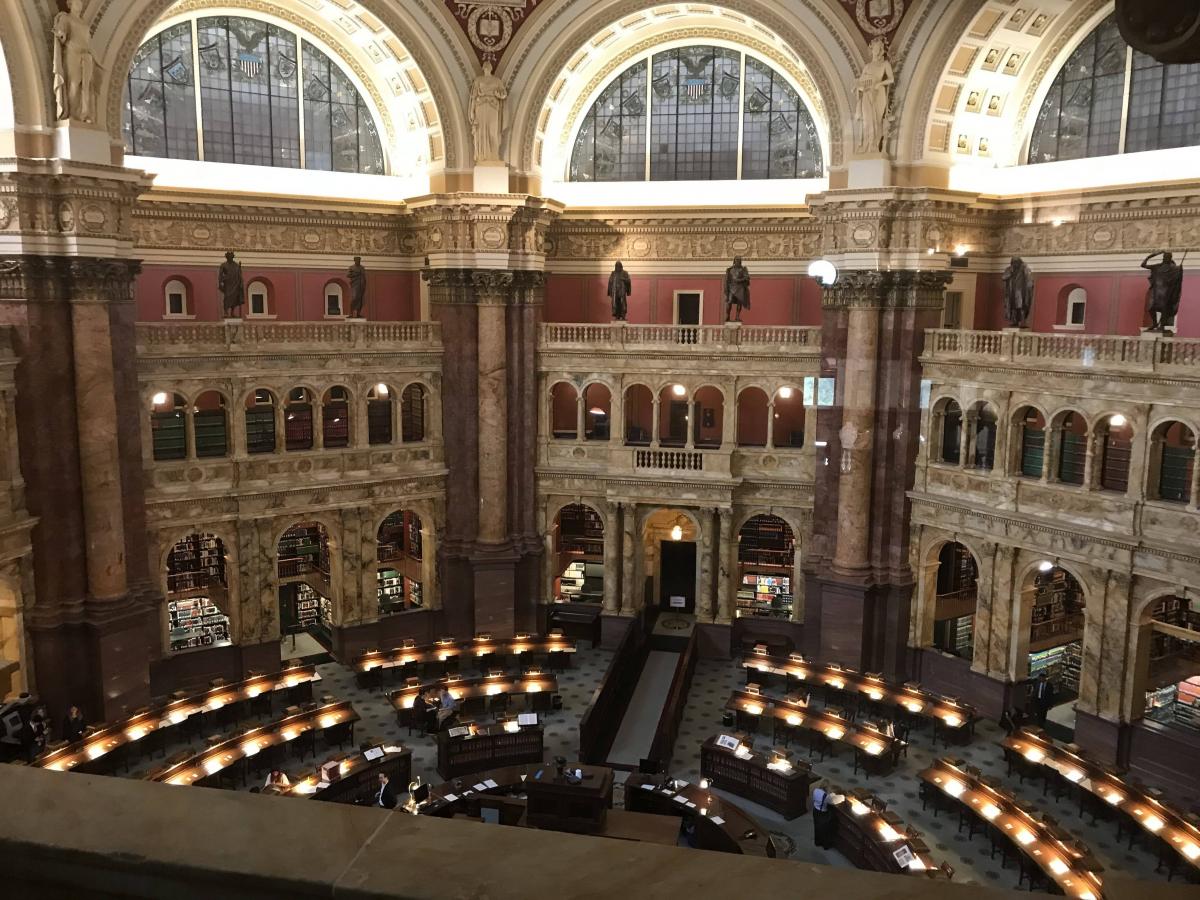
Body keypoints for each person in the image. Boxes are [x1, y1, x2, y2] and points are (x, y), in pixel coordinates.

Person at [1142, 250, 1184, 331]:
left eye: (1167, 257)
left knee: (1164, 308)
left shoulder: (1173, 268)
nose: (1165, 258)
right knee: (1150, 308)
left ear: (1170, 258)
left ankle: (1162, 325)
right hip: (1156, 290)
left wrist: (1180, 270)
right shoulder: (1157, 266)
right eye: (1164, 257)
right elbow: (1143, 265)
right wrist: (1152, 255)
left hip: (1165, 291)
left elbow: (1177, 277)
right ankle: (1154, 323)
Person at [723, 256, 751, 322]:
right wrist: (726, 289)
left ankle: (737, 316)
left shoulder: (743, 269)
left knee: (739, 302)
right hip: (732, 287)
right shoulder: (729, 270)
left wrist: (740, 280)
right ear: (734, 261)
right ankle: (728, 316)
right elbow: (727, 280)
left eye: (739, 260)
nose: (737, 261)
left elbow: (747, 278)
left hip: (740, 288)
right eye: (736, 260)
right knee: (729, 302)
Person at [811, 781, 837, 850]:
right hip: (823, 813)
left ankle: (817, 842)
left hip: (815, 810)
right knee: (825, 829)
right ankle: (825, 845)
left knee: (817, 827)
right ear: (826, 788)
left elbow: (814, 799)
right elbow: (833, 801)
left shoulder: (815, 790)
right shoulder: (826, 796)